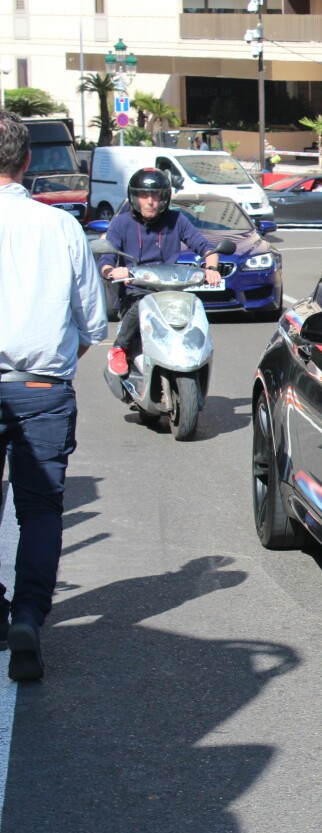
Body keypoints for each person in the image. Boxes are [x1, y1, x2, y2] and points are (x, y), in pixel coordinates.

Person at [0, 110, 109, 681]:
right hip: (40, 386)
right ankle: (28, 616)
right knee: (39, 509)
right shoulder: (60, 227)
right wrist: (56, 366)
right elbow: (93, 322)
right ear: (26, 162)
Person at [101, 168, 222, 376]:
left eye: (155, 195)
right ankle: (119, 348)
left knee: (194, 306)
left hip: (171, 291)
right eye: (144, 195)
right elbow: (105, 260)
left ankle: (198, 355)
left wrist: (211, 269)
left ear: (164, 198)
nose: (150, 201)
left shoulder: (177, 220)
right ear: (134, 197)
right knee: (140, 303)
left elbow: (207, 248)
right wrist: (113, 271)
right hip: (136, 291)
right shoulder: (121, 223)